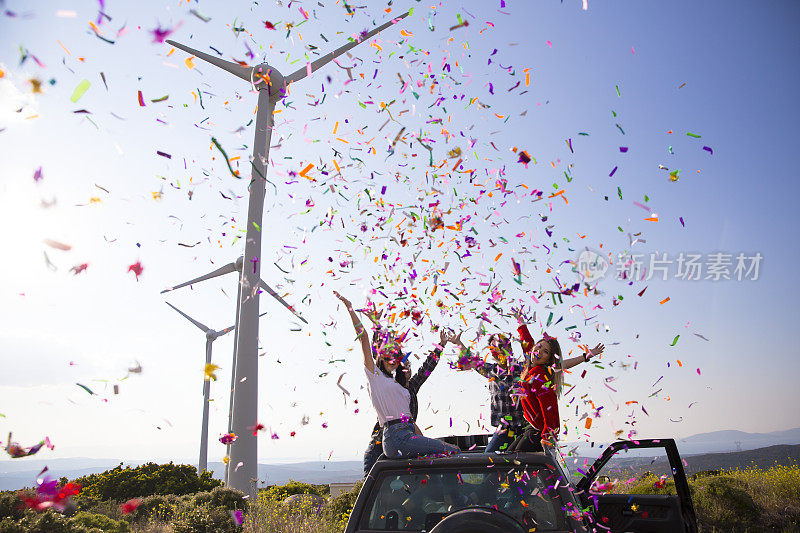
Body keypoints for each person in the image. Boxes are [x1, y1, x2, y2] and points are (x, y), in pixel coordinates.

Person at [334, 291, 460, 468]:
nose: (391, 361)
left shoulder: (403, 387)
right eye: (387, 357)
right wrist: (350, 308)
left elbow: (427, 368)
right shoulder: (376, 377)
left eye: (396, 358)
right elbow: (363, 339)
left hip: (407, 435)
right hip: (393, 437)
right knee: (453, 451)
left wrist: (441, 345)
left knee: (446, 454)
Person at [361, 316, 447, 476]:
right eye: (403, 365)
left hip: (405, 444)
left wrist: (440, 346)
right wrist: (376, 327)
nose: (406, 368)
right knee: (373, 489)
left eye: (409, 365)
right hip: (379, 445)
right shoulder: (388, 383)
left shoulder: (411, 388)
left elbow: (427, 368)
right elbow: (376, 355)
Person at [507, 320, 604, 452]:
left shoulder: (539, 375)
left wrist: (549, 436)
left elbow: (550, 407)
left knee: (511, 463)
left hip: (539, 433)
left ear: (548, 359)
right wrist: (521, 323)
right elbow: (528, 342)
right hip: (530, 427)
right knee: (506, 459)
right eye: (539, 346)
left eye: (545, 351)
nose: (539, 351)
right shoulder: (531, 365)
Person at [451, 332, 527, 453]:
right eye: (493, 347)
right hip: (503, 429)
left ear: (510, 348)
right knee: (489, 458)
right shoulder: (491, 371)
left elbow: (552, 366)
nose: (498, 350)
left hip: (523, 428)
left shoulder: (523, 368)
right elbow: (471, 359)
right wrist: (458, 343)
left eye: (501, 346)